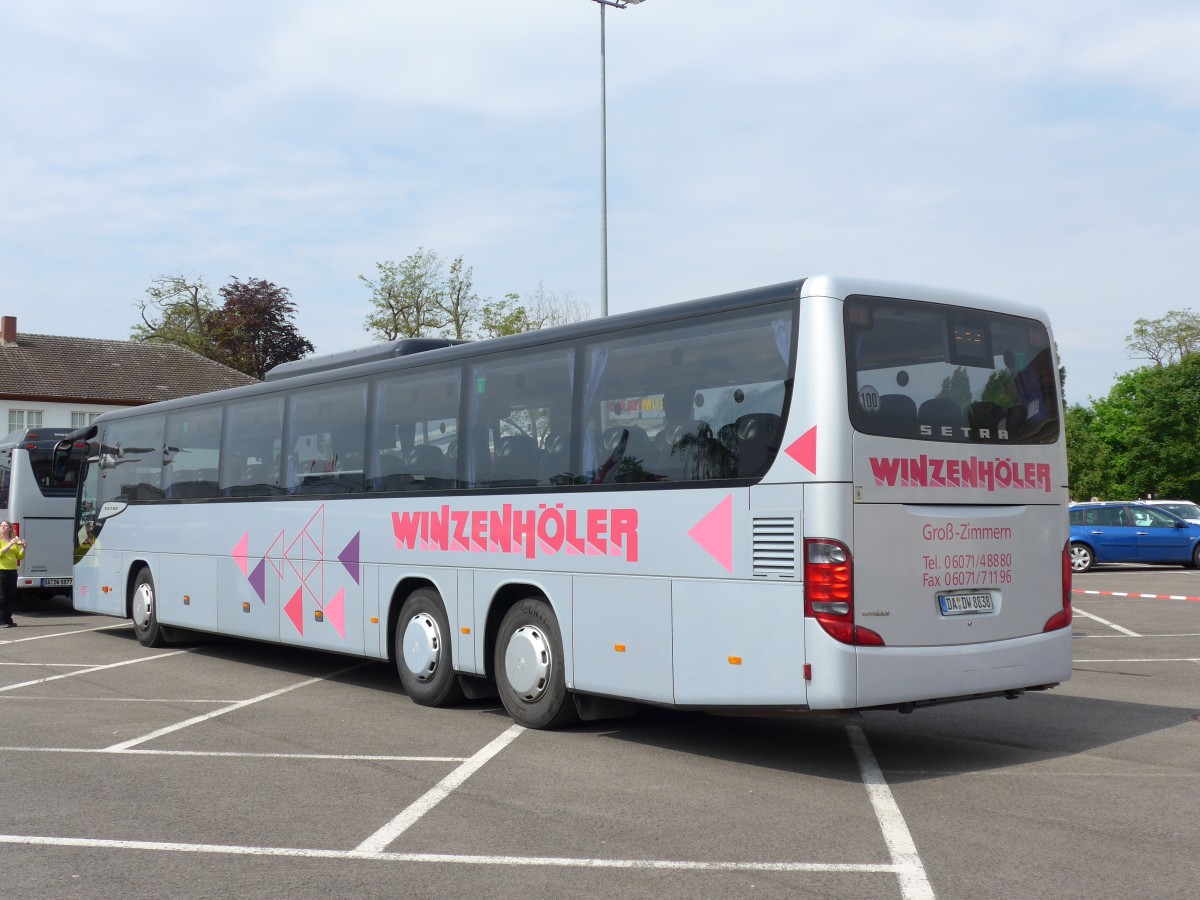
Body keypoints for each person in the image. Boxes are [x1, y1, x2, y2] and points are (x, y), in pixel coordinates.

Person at [0, 521, 27, 628]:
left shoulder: (15, 541)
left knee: (10, 596)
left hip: (12, 572)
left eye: (5, 526)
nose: (3, 527)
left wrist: (23, 548)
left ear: (10, 529)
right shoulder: (2, 541)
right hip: (1, 571)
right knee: (1, 596)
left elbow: (19, 556)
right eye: (1, 526)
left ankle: (8, 619)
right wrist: (10, 544)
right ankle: (1, 620)